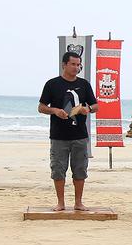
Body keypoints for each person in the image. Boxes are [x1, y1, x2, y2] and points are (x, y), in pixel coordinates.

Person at [38, 51, 98, 211]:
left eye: (78, 65)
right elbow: (41, 107)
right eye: (73, 64)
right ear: (64, 65)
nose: (76, 67)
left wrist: (88, 109)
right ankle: (61, 203)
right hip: (59, 136)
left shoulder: (84, 84)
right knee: (58, 169)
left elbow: (95, 105)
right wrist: (55, 111)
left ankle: (78, 203)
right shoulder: (52, 84)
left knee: (80, 169)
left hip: (80, 135)